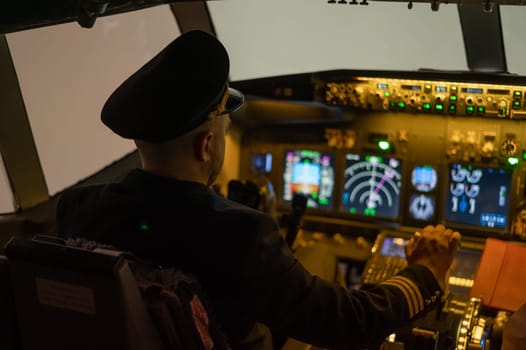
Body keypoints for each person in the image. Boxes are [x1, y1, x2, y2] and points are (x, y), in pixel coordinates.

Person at [56, 30, 461, 350]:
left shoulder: (78, 210)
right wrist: (426, 273)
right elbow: (347, 323)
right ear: (207, 145)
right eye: (225, 132)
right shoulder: (240, 235)